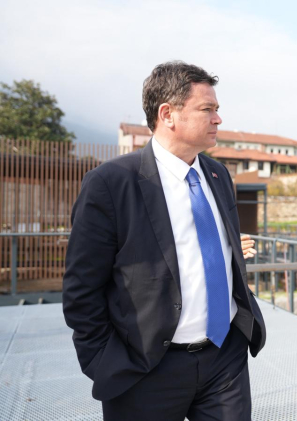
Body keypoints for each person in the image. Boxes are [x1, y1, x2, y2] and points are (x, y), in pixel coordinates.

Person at [63, 61, 266, 421]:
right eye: (207, 109)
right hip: (145, 369)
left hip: (225, 360)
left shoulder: (218, 175)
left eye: (217, 109)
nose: (218, 119)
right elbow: (82, 289)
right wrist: (105, 362)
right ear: (167, 114)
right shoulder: (111, 183)